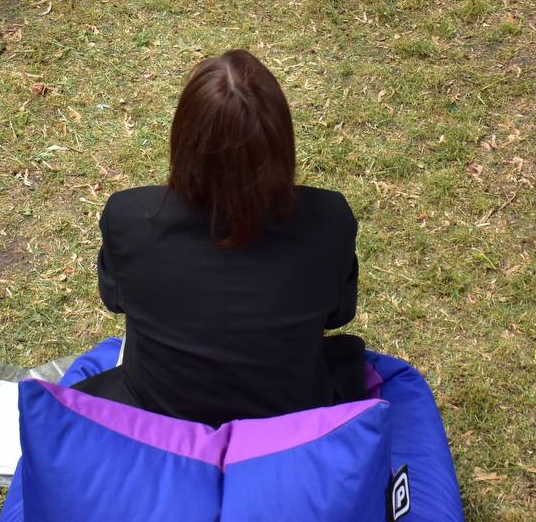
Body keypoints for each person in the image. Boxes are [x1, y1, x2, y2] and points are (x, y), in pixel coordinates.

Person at [74, 50, 366, 427]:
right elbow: (339, 315)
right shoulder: (330, 221)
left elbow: (114, 299)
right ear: (282, 143)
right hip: (288, 423)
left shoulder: (128, 218)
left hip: (160, 419)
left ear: (183, 138)